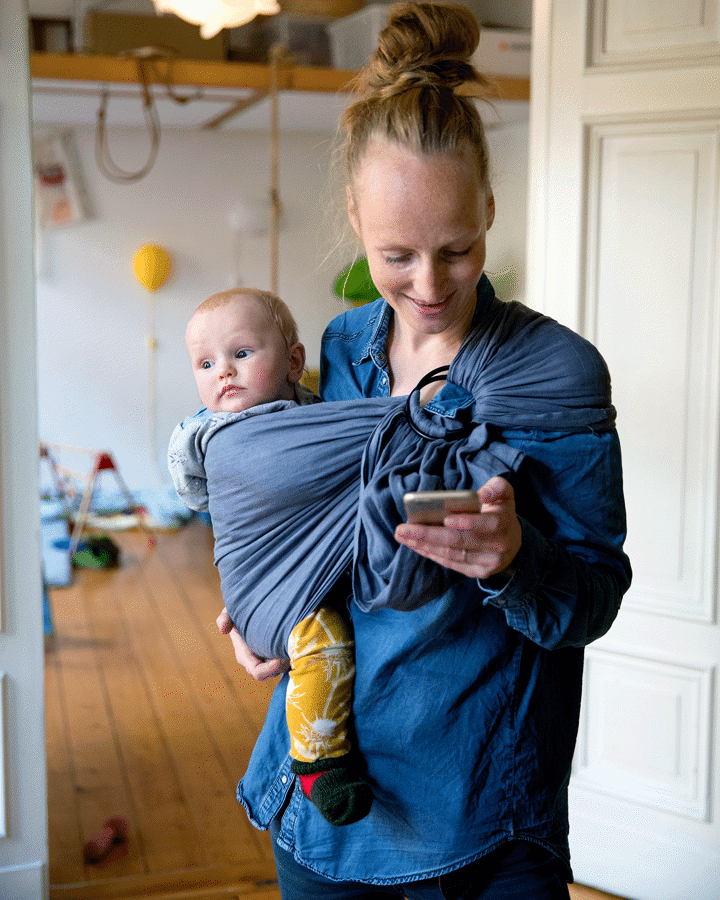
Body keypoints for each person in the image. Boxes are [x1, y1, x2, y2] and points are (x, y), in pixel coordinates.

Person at [217, 3, 632, 898]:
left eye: (458, 248)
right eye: (395, 254)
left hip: (484, 807)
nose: (431, 284)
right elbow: (313, 535)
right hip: (327, 792)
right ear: (355, 221)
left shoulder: (554, 372)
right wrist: (264, 606)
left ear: (489, 207)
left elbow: (595, 595)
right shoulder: (339, 348)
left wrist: (517, 559)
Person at [169, 287, 389, 826]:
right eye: (205, 362)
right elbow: (203, 495)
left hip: (320, 566)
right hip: (264, 578)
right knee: (325, 638)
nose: (224, 372)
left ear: (294, 362)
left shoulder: (319, 413)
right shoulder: (202, 432)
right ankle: (317, 759)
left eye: (242, 354)